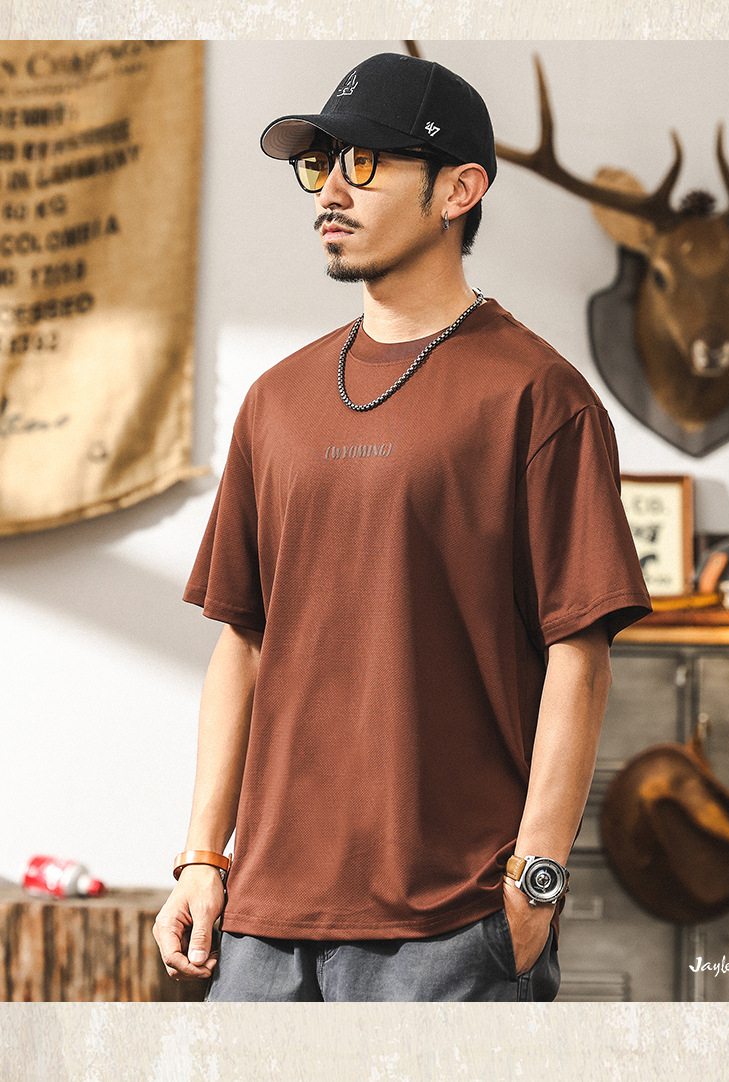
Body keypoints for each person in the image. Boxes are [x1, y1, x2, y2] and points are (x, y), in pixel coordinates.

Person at [153, 50, 651, 1002]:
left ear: (460, 189)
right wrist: (203, 857)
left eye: (367, 162)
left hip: (452, 923)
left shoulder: (539, 397)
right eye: (320, 165)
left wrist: (534, 883)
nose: (330, 192)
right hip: (261, 920)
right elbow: (243, 642)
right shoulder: (276, 401)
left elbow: (579, 653)